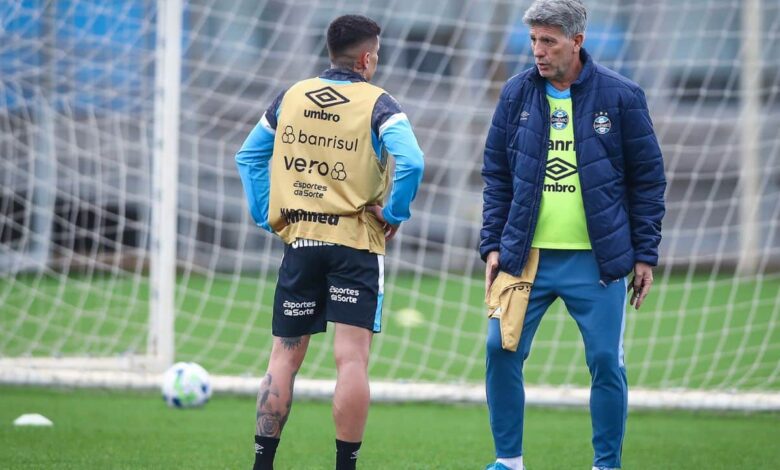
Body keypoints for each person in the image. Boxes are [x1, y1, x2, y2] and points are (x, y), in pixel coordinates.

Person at [479, 1, 666, 469]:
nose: (538, 52)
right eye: (534, 41)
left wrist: (645, 253)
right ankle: (509, 461)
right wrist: (493, 244)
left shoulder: (622, 96)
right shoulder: (516, 93)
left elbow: (647, 180)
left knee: (606, 360)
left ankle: (606, 464)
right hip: (526, 255)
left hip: (596, 261)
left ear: (577, 41)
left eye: (549, 41)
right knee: (498, 350)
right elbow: (497, 174)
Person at [235, 14, 424, 470]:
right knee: (351, 360)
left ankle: (263, 464)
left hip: (301, 241)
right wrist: (395, 212)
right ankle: (345, 466)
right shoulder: (380, 104)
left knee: (284, 356)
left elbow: (248, 156)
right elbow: (413, 161)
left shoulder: (290, 97)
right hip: (356, 242)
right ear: (367, 57)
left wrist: (268, 215)